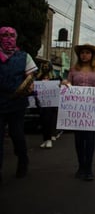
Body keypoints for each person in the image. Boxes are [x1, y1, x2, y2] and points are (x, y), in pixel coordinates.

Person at [62, 43, 95, 181]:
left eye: (87, 52)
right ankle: (81, 166)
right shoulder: (73, 70)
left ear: (92, 55)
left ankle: (88, 168)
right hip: (77, 111)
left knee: (89, 140)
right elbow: (69, 85)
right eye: (82, 52)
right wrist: (64, 84)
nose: (84, 55)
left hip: (93, 111)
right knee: (78, 140)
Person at [0, 27, 38, 183]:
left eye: (11, 35)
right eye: (4, 35)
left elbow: (30, 75)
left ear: (16, 38)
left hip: (17, 102)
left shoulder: (24, 56)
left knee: (17, 135)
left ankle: (23, 160)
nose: (8, 38)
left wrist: (29, 85)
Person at [36, 60, 59, 149]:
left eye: (47, 66)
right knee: (43, 122)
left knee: (49, 121)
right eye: (44, 66)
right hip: (42, 104)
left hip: (52, 104)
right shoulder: (38, 78)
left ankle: (49, 139)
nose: (45, 67)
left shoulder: (55, 77)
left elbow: (59, 87)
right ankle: (45, 139)